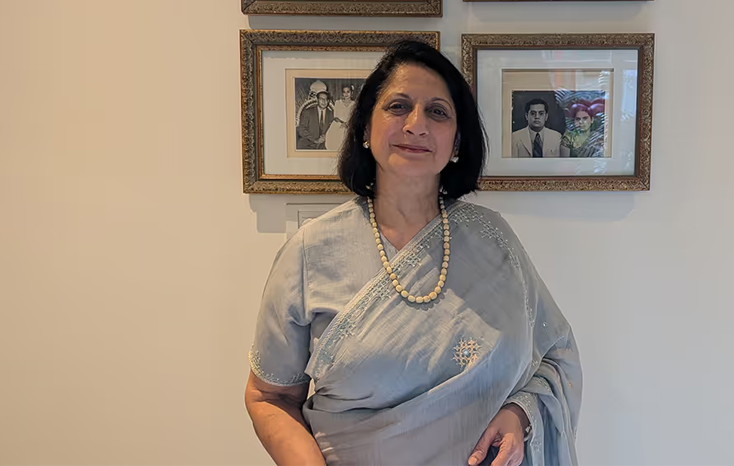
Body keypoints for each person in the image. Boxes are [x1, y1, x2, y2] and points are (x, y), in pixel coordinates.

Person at [246, 41, 582, 466]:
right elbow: (269, 396)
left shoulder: (493, 239)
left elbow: (553, 354)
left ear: (456, 142)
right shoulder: (311, 251)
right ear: (365, 130)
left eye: (438, 112)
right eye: (398, 107)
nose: (416, 125)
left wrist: (520, 414)